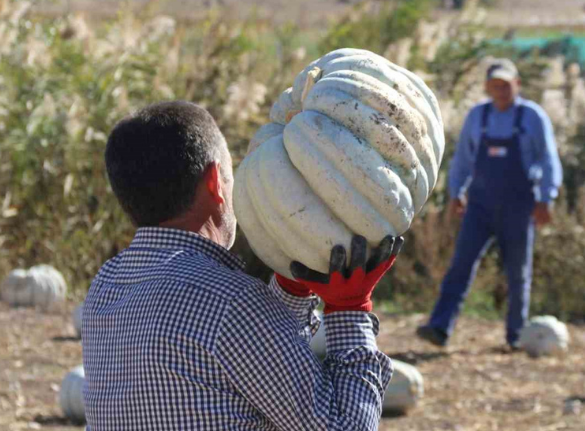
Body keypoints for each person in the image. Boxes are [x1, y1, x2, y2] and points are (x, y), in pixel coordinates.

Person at [82, 101, 402, 429]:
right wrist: (349, 309)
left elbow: (236, 365)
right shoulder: (231, 303)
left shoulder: (106, 288)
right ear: (214, 182)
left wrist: (293, 289)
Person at [416, 59, 563, 349]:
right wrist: (455, 192)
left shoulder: (532, 117)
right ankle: (440, 327)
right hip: (480, 207)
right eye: (495, 85)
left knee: (518, 273)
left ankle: (516, 336)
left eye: (506, 85)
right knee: (460, 266)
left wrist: (547, 199)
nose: (500, 90)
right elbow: (462, 160)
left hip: (519, 207)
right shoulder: (477, 117)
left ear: (517, 84)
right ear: (487, 87)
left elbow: (548, 159)